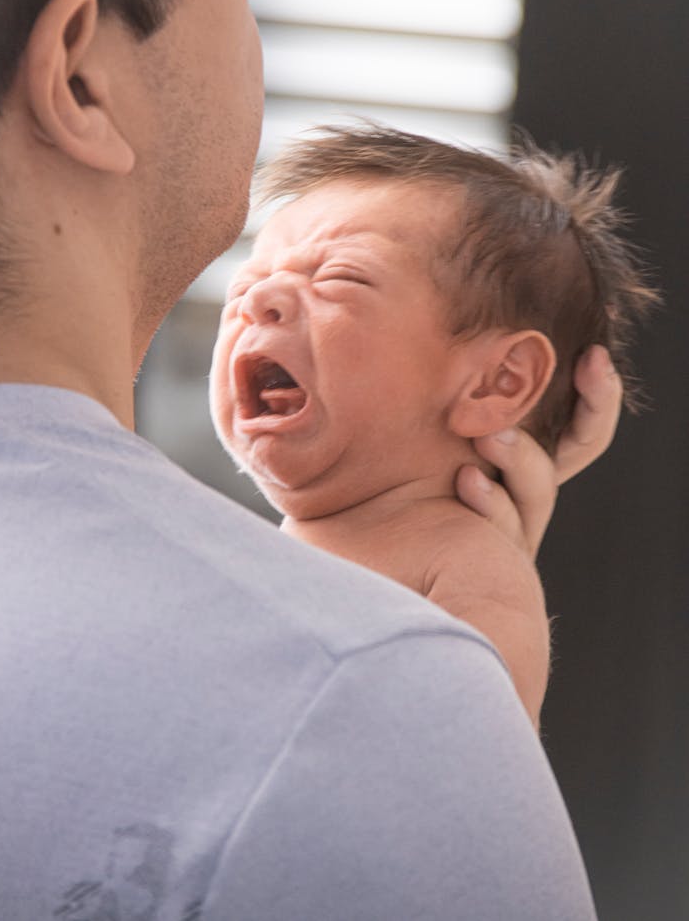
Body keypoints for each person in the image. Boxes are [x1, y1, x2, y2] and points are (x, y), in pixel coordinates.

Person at [0, 0, 621, 918]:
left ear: (500, 380)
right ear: (78, 75)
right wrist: (410, 686)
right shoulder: (375, 707)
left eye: (339, 277)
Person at [210, 123, 658, 726]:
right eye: (247, 283)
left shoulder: (465, 564)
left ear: (497, 382)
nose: (259, 302)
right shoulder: (249, 543)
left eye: (339, 278)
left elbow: (467, 770)